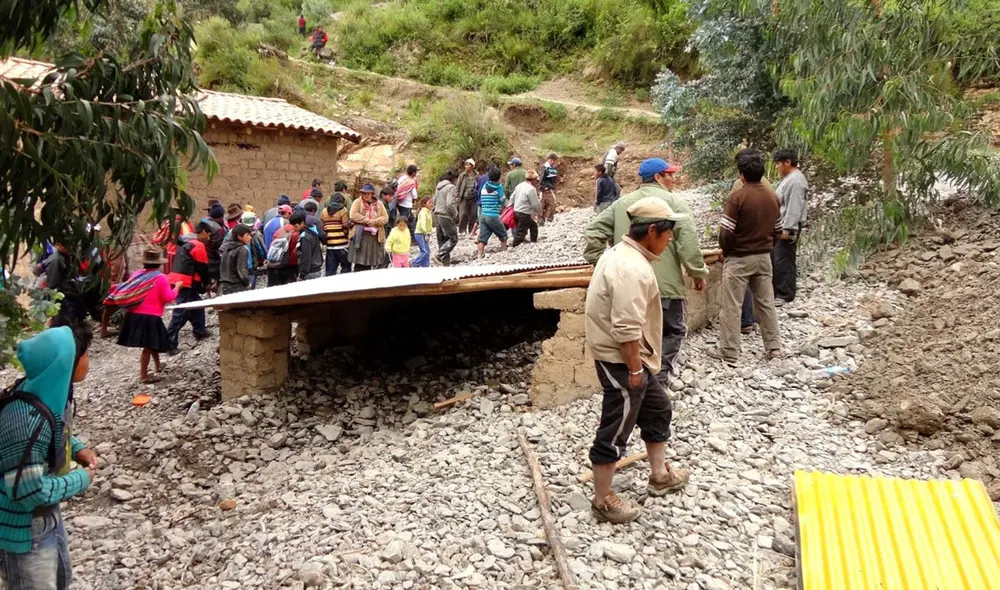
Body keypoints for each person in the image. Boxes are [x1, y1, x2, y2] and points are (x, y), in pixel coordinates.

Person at [585, 197, 691, 524]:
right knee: (617, 425)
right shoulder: (630, 267)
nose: (670, 240)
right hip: (622, 359)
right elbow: (626, 326)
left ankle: (659, 475)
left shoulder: (621, 253)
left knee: (658, 406)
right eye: (668, 233)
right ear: (653, 231)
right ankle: (602, 499)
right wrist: (633, 370)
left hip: (634, 357)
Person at [584, 158, 709, 388]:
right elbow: (689, 246)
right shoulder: (675, 205)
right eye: (670, 174)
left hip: (627, 289)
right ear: (659, 177)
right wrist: (698, 274)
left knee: (637, 336)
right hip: (667, 287)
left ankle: (643, 379)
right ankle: (658, 379)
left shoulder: (623, 204)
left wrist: (598, 262)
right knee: (673, 332)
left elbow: (593, 231)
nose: (674, 179)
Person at [0, 322, 98, 589]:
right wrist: (81, 479)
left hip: (45, 519)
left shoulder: (40, 394)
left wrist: (77, 448)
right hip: (24, 528)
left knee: (60, 580)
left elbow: (55, 426)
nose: (89, 361)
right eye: (86, 354)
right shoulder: (26, 421)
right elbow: (28, 491)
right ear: (67, 362)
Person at [709, 149, 782, 365]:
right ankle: (774, 348)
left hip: (739, 258)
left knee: (731, 305)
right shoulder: (772, 196)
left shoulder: (737, 197)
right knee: (766, 303)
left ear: (741, 174)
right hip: (763, 256)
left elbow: (726, 232)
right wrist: (768, 246)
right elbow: (778, 229)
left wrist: (727, 251)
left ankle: (730, 351)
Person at [115, 248, 181, 383]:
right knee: (149, 345)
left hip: (134, 314)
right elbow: (168, 297)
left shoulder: (137, 274)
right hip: (150, 316)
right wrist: (177, 288)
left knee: (152, 343)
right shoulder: (160, 277)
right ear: (159, 264)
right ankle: (143, 375)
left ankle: (158, 366)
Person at [165, 221, 213, 353]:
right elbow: (202, 267)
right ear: (202, 233)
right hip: (186, 281)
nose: (208, 239)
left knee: (197, 303)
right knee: (180, 312)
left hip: (177, 278)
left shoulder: (185, 242)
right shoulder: (198, 245)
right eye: (208, 235)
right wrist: (206, 283)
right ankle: (170, 342)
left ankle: (199, 330)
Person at [772, 148, 809, 305]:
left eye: (779, 164)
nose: (777, 167)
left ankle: (785, 293)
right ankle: (779, 290)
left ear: (788, 162)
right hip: (782, 225)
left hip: (787, 227)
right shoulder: (790, 178)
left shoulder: (795, 181)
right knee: (779, 257)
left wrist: (788, 228)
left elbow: (794, 206)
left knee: (784, 259)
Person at [349, 184, 389, 271]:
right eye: (364, 193)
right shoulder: (357, 202)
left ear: (372, 194)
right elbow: (353, 215)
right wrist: (367, 220)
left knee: (373, 261)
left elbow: (385, 218)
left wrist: (374, 222)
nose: (366, 195)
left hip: (375, 237)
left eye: (368, 193)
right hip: (361, 236)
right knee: (360, 261)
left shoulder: (379, 204)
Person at [477, 167, 508, 259]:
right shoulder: (499, 187)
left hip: (482, 215)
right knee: (503, 234)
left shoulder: (484, 186)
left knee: (482, 238)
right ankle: (504, 251)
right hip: (493, 215)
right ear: (499, 177)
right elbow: (502, 200)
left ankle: (480, 255)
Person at [432, 170, 460, 265]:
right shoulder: (451, 187)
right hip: (446, 216)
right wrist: (456, 214)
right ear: (453, 179)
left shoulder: (438, 187)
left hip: (437, 215)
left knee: (442, 242)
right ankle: (438, 255)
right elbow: (450, 204)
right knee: (453, 239)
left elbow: (434, 201)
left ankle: (445, 264)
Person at [322, 193, 351, 275]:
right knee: (346, 269)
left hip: (330, 245)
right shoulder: (343, 210)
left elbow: (323, 226)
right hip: (342, 245)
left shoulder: (324, 212)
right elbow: (345, 227)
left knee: (330, 272)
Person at [219, 225, 254, 295]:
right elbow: (241, 270)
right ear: (239, 237)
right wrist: (247, 284)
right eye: (247, 235)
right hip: (236, 286)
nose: (250, 237)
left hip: (224, 285)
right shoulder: (242, 249)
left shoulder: (227, 248)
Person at [511, 170, 542, 247]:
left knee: (532, 225)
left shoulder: (519, 185)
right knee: (521, 232)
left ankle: (532, 242)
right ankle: (515, 246)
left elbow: (512, 198)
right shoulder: (531, 189)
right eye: (536, 180)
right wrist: (539, 212)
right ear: (534, 179)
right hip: (524, 213)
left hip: (516, 211)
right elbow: (535, 204)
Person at [290, 211, 322, 281]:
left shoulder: (304, 237)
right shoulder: (313, 232)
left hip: (309, 272)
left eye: (295, 226)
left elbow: (306, 256)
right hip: (317, 268)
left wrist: (302, 275)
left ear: (302, 223)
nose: (294, 228)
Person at [202, 202, 227, 291]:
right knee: (215, 282)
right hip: (212, 260)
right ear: (220, 216)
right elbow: (218, 248)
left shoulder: (203, 223)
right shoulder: (217, 229)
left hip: (202, 257)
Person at [455, 159, 479, 237]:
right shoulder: (462, 175)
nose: (467, 166)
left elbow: (479, 185)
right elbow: (458, 186)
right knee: (463, 214)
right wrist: (457, 196)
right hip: (464, 197)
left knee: (473, 214)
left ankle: (471, 230)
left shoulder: (476, 175)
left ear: (472, 166)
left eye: (469, 164)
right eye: (466, 164)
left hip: (474, 198)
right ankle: (462, 230)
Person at [395, 164, 419, 238]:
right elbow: (414, 195)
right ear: (414, 173)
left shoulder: (402, 178)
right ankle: (403, 237)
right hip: (406, 204)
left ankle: (412, 237)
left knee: (410, 219)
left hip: (399, 202)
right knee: (405, 221)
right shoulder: (411, 182)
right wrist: (416, 201)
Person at [411, 196, 433, 267]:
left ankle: (425, 266)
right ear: (424, 203)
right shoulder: (423, 212)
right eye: (429, 202)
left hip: (425, 233)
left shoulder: (428, 212)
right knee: (425, 252)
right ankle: (413, 263)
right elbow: (423, 224)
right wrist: (426, 233)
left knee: (427, 252)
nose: (431, 204)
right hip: (420, 233)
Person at [539, 152, 559, 224]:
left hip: (548, 188)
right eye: (554, 160)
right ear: (551, 160)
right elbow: (541, 179)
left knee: (547, 204)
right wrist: (545, 187)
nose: (554, 162)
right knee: (547, 204)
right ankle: (544, 220)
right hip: (545, 189)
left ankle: (544, 219)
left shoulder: (552, 168)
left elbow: (553, 179)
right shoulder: (545, 168)